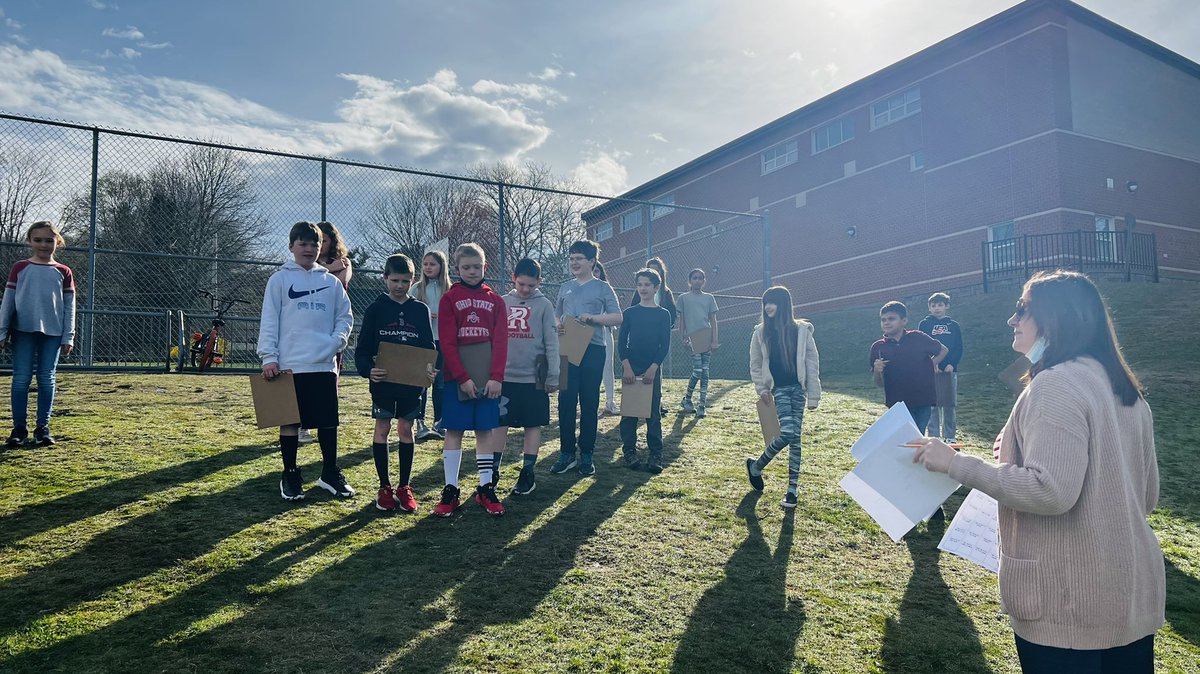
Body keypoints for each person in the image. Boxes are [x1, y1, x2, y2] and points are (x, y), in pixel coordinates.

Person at [913, 270, 1163, 673]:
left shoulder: (1056, 384)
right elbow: (1146, 495)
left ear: (1056, 319)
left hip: (1070, 603)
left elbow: (1051, 491)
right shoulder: (1122, 386)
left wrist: (957, 465)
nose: (1012, 320)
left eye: (1021, 310)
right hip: (1128, 593)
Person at [257, 221, 355, 501]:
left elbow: (344, 318)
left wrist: (333, 343)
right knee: (289, 422)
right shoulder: (279, 280)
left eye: (314, 244)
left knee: (327, 422)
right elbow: (269, 321)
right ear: (291, 246)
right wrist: (269, 357)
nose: (309, 249)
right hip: (289, 365)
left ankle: (329, 473)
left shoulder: (330, 282)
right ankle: (290, 473)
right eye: (303, 244)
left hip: (323, 365)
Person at [355, 253, 436, 513]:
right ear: (385, 279)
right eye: (395, 280)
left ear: (412, 280)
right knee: (382, 428)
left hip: (411, 385)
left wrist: (430, 371)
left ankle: (404, 486)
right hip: (384, 383)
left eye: (405, 280)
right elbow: (363, 349)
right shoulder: (376, 308)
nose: (399, 286)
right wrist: (369, 370)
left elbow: (428, 347)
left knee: (406, 429)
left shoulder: (419, 310)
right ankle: (384, 487)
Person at [435, 243, 509, 517]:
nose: (472, 271)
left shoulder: (496, 301)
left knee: (485, 432)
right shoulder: (449, 299)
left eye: (477, 266)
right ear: (457, 269)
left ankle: (485, 488)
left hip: (488, 380)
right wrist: (462, 378)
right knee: (453, 431)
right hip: (458, 380)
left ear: (485, 267)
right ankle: (451, 489)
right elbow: (448, 342)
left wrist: (496, 378)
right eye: (466, 267)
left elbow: (501, 342)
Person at [744, 285, 821, 508]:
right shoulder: (760, 332)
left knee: (795, 438)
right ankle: (756, 466)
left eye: (772, 301)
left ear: (784, 304)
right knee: (788, 433)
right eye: (765, 302)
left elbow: (812, 363)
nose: (768, 306)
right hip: (777, 391)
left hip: (798, 389)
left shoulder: (802, 330)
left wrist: (813, 395)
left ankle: (792, 490)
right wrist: (762, 389)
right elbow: (756, 364)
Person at [551, 239, 622, 477]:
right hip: (569, 346)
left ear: (592, 261)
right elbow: (557, 314)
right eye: (571, 258)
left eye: (579, 258)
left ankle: (587, 454)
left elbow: (617, 317)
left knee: (589, 401)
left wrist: (594, 318)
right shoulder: (565, 287)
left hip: (594, 349)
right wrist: (558, 325)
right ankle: (566, 454)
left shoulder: (603, 288)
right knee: (566, 401)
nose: (574, 262)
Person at [1, 221, 75, 447]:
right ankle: (19, 429)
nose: (43, 244)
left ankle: (42, 428)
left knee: (47, 378)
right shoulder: (20, 267)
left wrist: (68, 336)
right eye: (38, 240)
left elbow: (70, 306)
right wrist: (2, 331)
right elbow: (8, 302)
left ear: (57, 242)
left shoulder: (63, 271)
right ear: (30, 241)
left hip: (53, 333)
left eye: (49, 240)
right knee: (21, 379)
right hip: (22, 331)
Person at [497, 258, 560, 495]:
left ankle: (527, 473)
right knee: (498, 423)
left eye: (530, 286)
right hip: (504, 378)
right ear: (513, 278)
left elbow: (552, 343)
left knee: (532, 425)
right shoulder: (502, 303)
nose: (525, 289)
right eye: (521, 284)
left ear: (539, 282)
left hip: (534, 380)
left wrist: (553, 375)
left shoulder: (544, 305)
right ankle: (493, 471)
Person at [617, 268, 672, 473]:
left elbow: (664, 345)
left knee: (652, 413)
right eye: (639, 284)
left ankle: (655, 454)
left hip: (652, 369)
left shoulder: (663, 314)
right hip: (632, 367)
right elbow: (622, 343)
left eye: (647, 284)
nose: (643, 288)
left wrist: (653, 369)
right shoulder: (630, 313)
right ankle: (629, 451)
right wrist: (627, 368)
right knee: (629, 413)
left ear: (656, 287)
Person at [869, 300, 947, 434]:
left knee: (919, 436)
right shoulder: (878, 347)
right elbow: (879, 383)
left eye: (891, 319)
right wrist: (877, 371)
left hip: (924, 398)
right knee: (905, 439)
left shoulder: (917, 337)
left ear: (904, 321)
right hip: (898, 403)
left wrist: (930, 364)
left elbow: (943, 350)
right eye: (883, 320)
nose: (886, 322)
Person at [629, 257, 677, 416]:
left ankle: (657, 402)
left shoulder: (666, 292)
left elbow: (672, 313)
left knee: (655, 371)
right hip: (640, 340)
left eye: (656, 269)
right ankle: (639, 404)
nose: (653, 271)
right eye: (650, 268)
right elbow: (632, 309)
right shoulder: (639, 293)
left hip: (657, 339)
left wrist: (664, 327)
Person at [414, 251, 450, 442]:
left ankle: (440, 422)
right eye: (425, 264)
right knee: (422, 383)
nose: (428, 267)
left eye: (432, 264)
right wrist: (424, 317)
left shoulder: (449, 290)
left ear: (441, 266)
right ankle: (420, 422)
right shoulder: (416, 289)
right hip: (423, 343)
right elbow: (409, 313)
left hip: (443, 342)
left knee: (441, 383)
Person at [918, 292, 963, 442]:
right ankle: (934, 437)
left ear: (946, 306)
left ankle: (950, 437)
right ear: (929, 308)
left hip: (950, 371)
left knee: (949, 405)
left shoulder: (953, 325)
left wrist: (951, 364)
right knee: (933, 405)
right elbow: (922, 346)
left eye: (940, 305)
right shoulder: (924, 324)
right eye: (933, 305)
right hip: (931, 370)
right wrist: (932, 363)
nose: (937, 308)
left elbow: (958, 347)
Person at [677, 268, 719, 418]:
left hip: (706, 337)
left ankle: (702, 405)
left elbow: (713, 321)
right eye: (694, 278)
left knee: (705, 372)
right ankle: (687, 399)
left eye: (700, 278)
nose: (697, 280)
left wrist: (714, 340)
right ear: (690, 281)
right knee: (698, 371)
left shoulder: (709, 298)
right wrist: (682, 337)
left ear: (704, 281)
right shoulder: (683, 298)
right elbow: (681, 321)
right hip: (692, 339)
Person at [593, 261, 620, 415]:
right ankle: (588, 403)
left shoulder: (606, 289)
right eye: (592, 271)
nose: (594, 274)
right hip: (582, 333)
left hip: (604, 332)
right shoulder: (576, 289)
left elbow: (615, 314)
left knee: (607, 366)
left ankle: (610, 402)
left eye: (597, 271)